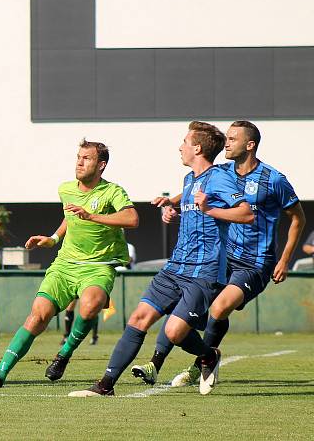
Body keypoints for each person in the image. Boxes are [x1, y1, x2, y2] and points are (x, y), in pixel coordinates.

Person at [68, 121, 254, 397]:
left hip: (204, 271)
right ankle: (104, 386)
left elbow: (246, 213)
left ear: (197, 148)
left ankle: (208, 356)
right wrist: (173, 207)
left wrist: (209, 209)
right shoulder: (190, 179)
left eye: (184, 142)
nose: (180, 147)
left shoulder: (220, 178)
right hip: (175, 267)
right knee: (138, 318)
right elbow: (192, 206)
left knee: (175, 331)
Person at [132, 120, 306, 387]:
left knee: (220, 306)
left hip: (255, 263)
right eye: (226, 137)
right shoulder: (222, 172)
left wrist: (284, 260)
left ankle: (199, 366)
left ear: (250, 145)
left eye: (233, 138)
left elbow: (297, 219)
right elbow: (196, 187)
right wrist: (172, 202)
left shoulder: (274, 179)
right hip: (223, 257)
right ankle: (156, 363)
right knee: (185, 305)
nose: (227, 142)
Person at [0, 139, 139, 388]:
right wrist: (53, 239)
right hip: (65, 265)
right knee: (38, 315)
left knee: (89, 305)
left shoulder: (113, 192)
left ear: (101, 165)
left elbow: (132, 219)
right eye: (78, 156)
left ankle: (63, 354)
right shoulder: (66, 189)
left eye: (87, 158)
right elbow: (69, 218)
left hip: (98, 266)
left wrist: (92, 216)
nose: (79, 162)